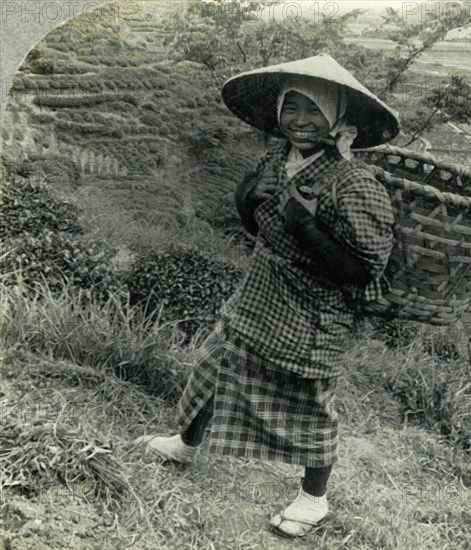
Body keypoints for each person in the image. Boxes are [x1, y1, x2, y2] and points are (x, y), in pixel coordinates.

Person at [134, 53, 399, 537]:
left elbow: (365, 269)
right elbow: (259, 228)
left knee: (308, 402)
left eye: (314, 110)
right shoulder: (276, 158)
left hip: (316, 311)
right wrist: (245, 202)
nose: (300, 121)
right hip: (262, 289)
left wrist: (307, 227)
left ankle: (313, 500)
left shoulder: (355, 182)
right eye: (291, 108)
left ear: (338, 116)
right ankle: (188, 445)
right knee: (219, 363)